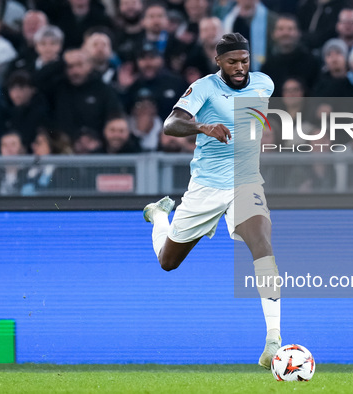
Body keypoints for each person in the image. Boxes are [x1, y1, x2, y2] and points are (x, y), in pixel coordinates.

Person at [143, 32, 281, 370]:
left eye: (244, 61)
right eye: (232, 61)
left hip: (246, 183)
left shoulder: (264, 84)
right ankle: (160, 215)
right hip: (205, 187)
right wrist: (203, 127)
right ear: (218, 61)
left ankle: (273, 339)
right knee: (168, 262)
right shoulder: (204, 88)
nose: (239, 67)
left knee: (262, 244)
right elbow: (170, 124)